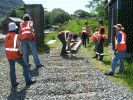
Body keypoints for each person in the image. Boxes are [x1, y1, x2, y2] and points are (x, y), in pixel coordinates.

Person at [5, 22, 36, 87]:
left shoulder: (7, 36)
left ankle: (13, 83)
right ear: (15, 29)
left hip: (8, 55)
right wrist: (21, 54)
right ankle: (28, 81)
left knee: (12, 68)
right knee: (25, 66)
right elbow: (19, 46)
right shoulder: (16, 36)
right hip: (15, 55)